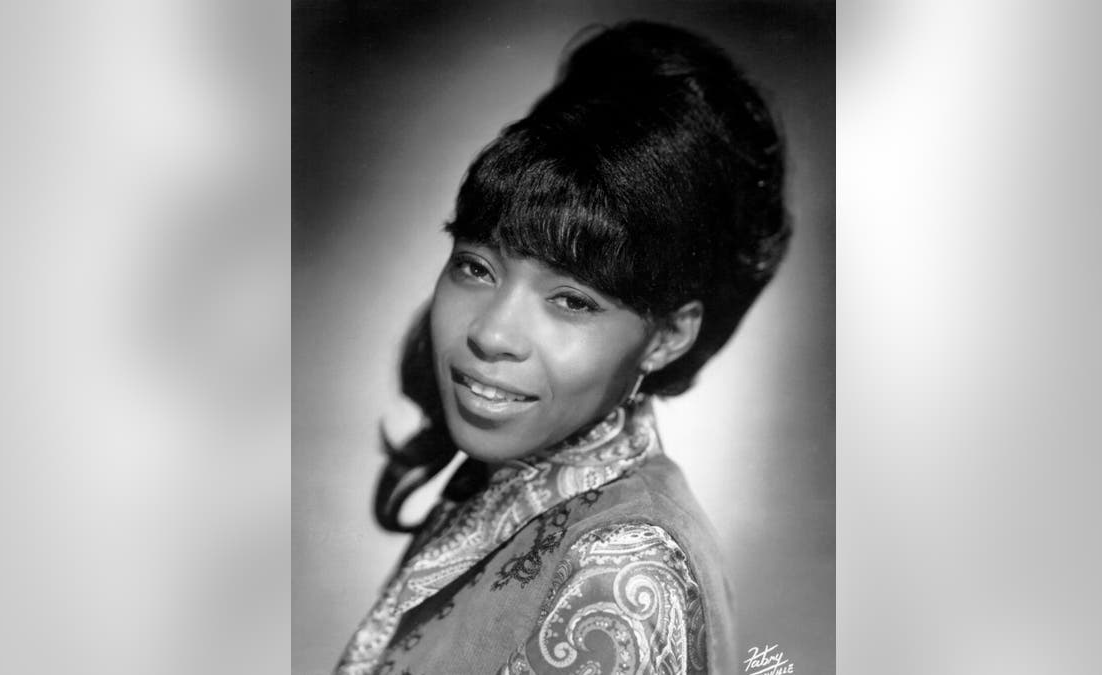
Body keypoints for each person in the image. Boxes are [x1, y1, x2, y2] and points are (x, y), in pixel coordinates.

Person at [335, 20, 789, 675]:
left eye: (572, 301)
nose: (491, 333)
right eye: (476, 267)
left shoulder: (618, 579)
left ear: (667, 335)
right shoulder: (507, 482)